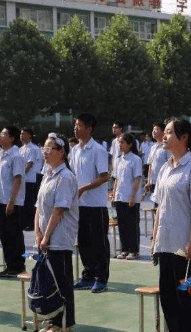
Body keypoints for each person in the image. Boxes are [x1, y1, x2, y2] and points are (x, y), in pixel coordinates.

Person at [151, 119, 191, 332]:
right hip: (166, 245)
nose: (164, 136)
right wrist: (154, 239)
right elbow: (159, 207)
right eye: (164, 132)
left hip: (185, 249)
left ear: (184, 137)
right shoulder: (165, 168)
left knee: (189, 301)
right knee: (169, 299)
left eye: (169, 132)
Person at [35, 132, 79, 332]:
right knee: (50, 283)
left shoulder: (66, 177)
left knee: (62, 282)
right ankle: (54, 321)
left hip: (59, 238)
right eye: (44, 148)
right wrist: (38, 233)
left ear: (61, 152)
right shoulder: (48, 174)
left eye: (49, 148)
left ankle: (66, 323)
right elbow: (38, 208)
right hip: (45, 239)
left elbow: (59, 210)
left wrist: (46, 235)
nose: (45, 152)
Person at [70, 113, 111, 293]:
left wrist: (83, 188)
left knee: (99, 243)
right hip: (79, 205)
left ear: (89, 128)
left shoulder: (98, 150)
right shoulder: (75, 150)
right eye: (75, 125)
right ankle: (88, 275)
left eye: (79, 125)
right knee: (84, 241)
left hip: (96, 205)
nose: (76, 128)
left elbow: (104, 177)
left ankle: (101, 278)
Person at [0, 126, 26, 277]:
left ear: (12, 138)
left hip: (12, 202)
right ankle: (9, 264)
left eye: (3, 133)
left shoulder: (16, 156)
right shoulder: (1, 155)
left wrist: (11, 201)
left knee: (14, 234)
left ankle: (18, 266)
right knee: (5, 235)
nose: (0, 135)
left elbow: (17, 179)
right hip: (1, 199)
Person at [110, 132, 143, 260]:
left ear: (130, 144)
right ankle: (124, 249)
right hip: (120, 196)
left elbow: (137, 179)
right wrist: (114, 193)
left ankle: (134, 251)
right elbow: (116, 179)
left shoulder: (136, 159)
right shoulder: (118, 160)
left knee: (132, 225)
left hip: (130, 197)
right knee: (122, 224)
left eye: (123, 142)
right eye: (119, 142)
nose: (120, 145)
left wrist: (133, 196)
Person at [20, 128, 43, 231]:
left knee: (30, 202)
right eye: (21, 133)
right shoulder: (21, 149)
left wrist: (21, 174)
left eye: (24, 134)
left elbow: (29, 164)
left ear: (29, 136)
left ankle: (31, 223)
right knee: (23, 202)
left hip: (31, 179)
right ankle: (24, 222)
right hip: (23, 180)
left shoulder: (33, 148)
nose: (21, 135)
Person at [145, 123, 170, 201]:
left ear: (163, 132)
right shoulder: (153, 147)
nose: (153, 132)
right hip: (154, 182)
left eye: (156, 130)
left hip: (163, 181)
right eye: (153, 130)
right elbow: (150, 165)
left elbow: (170, 164)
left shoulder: (167, 146)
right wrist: (149, 181)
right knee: (155, 205)